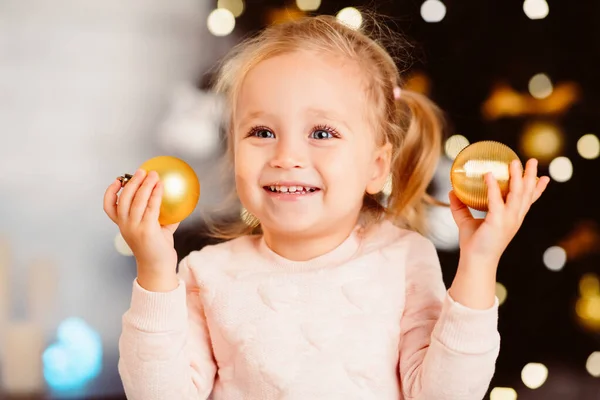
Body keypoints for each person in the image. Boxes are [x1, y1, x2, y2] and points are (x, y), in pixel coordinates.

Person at [103, 14, 549, 400]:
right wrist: (156, 272)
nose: (286, 157)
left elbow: (445, 393)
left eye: (321, 133)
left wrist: (480, 261)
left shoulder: (405, 259)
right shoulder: (206, 274)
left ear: (377, 167)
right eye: (261, 132)